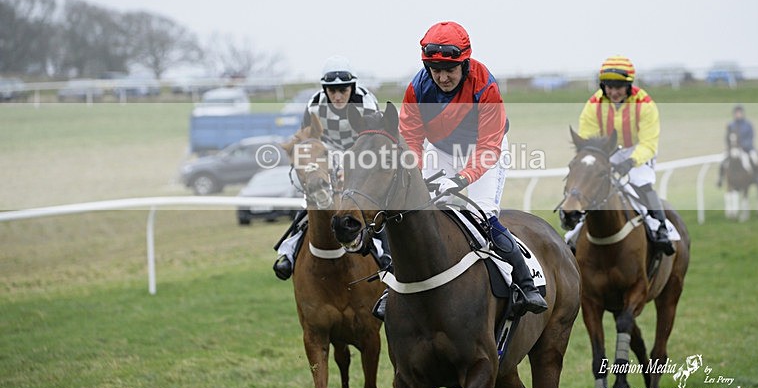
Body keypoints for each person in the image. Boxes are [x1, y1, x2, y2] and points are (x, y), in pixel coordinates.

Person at [384, 20, 547, 319]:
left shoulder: (485, 85)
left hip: (485, 149)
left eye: (450, 70)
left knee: (482, 216)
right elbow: (411, 138)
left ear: (465, 63)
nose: (443, 77)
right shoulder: (417, 88)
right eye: (436, 70)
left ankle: (524, 282)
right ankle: (393, 285)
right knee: (417, 214)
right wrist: (418, 177)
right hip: (440, 150)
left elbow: (488, 146)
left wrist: (460, 180)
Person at [273, 55, 386, 280]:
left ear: (352, 87)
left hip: (360, 154)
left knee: (374, 204)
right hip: (329, 153)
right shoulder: (314, 104)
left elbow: (373, 141)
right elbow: (310, 139)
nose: (337, 96)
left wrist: (352, 167)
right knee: (311, 198)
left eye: (342, 90)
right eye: (331, 90)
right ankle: (290, 251)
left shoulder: (366, 102)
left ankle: (386, 254)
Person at [566, 55, 674, 255]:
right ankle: (574, 229)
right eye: (609, 87)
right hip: (608, 152)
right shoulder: (593, 104)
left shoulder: (645, 104)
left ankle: (659, 228)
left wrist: (631, 161)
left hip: (638, 150)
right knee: (589, 181)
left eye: (618, 87)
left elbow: (649, 142)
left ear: (629, 86)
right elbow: (588, 139)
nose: (613, 92)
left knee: (640, 181)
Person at [717, 104, 758, 187]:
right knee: (723, 161)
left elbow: (751, 137)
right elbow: (727, 138)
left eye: (739, 113)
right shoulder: (731, 125)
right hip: (734, 149)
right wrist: (730, 147)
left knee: (755, 158)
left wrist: (744, 145)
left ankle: (757, 177)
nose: (737, 115)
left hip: (747, 148)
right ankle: (720, 179)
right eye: (736, 113)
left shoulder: (748, 125)